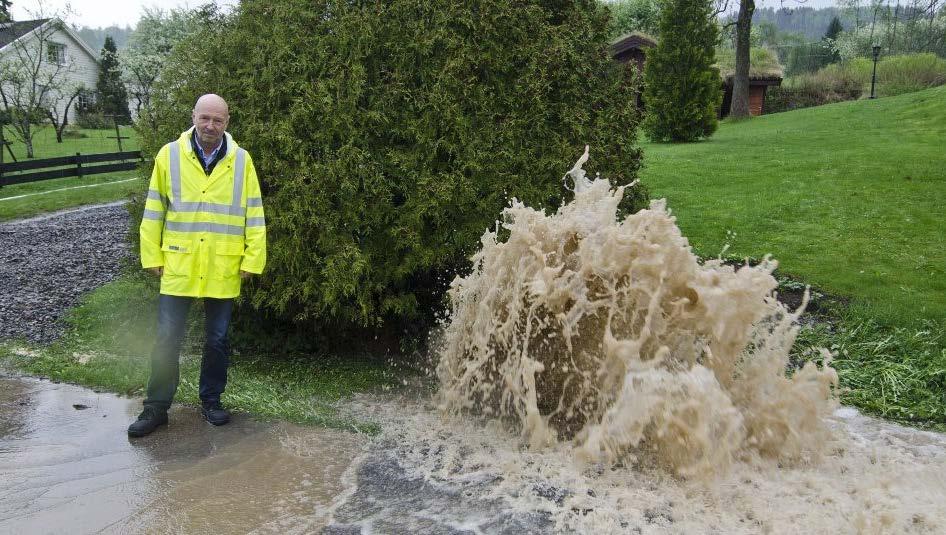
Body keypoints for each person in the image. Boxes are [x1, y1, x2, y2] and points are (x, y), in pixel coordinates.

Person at [128, 94, 266, 438]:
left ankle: (212, 401)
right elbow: (154, 209)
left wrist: (252, 258)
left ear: (227, 122)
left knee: (217, 340)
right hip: (179, 263)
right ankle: (156, 408)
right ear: (194, 117)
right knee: (165, 339)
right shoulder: (168, 156)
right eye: (205, 118)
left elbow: (254, 212)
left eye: (217, 120)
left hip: (223, 266)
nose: (210, 125)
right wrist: (153, 255)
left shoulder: (242, 160)